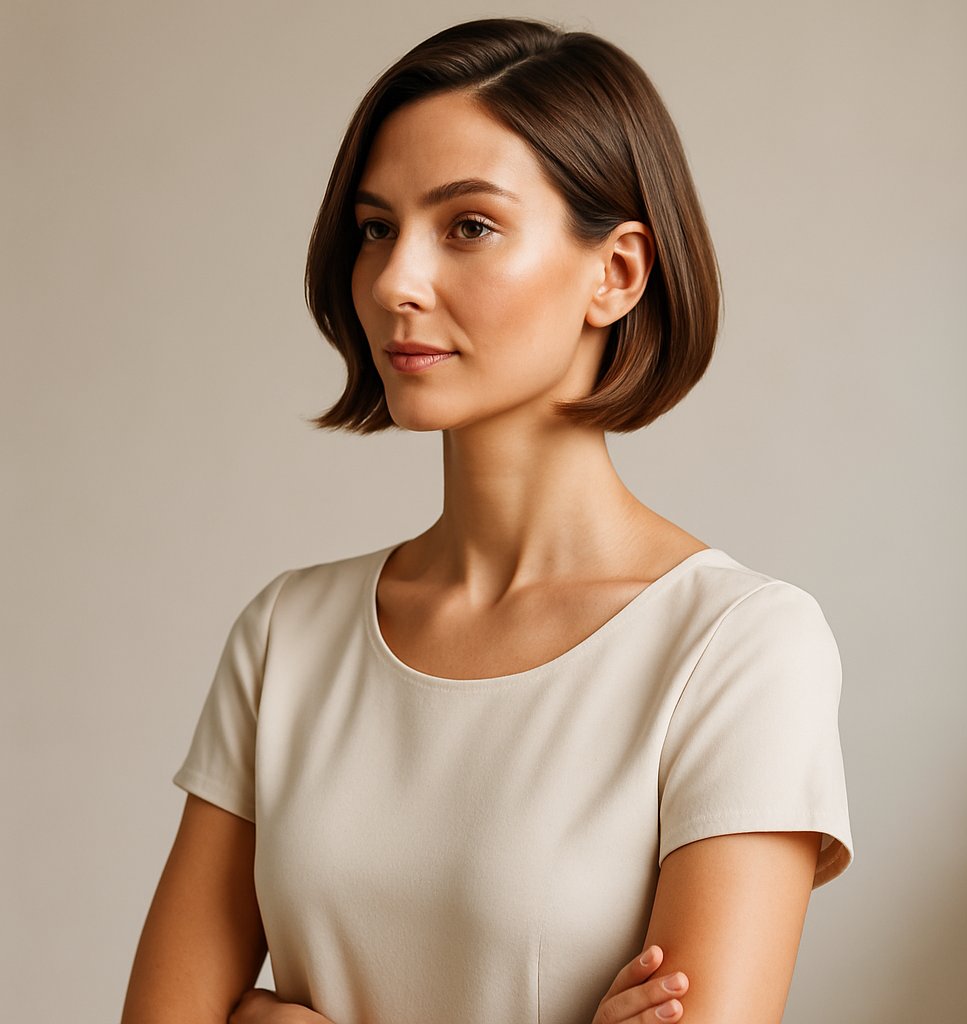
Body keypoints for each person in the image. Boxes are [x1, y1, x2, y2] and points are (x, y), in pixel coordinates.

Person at [121, 16, 854, 1024]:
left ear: (618, 273)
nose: (391, 282)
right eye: (375, 227)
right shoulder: (289, 636)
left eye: (466, 225)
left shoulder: (738, 648)